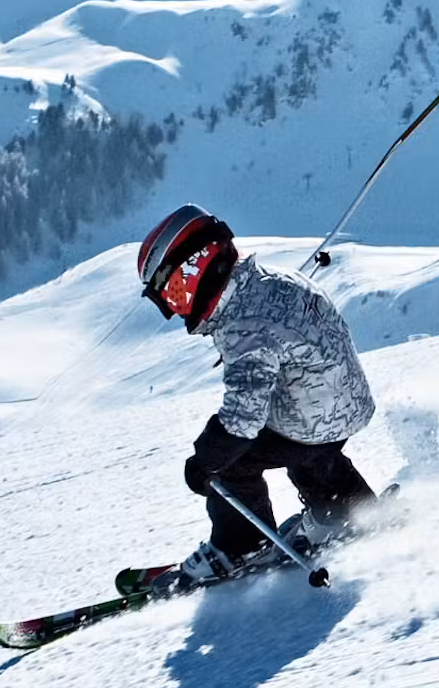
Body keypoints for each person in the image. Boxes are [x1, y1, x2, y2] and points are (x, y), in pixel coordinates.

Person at [117, 202, 379, 597]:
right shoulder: (266, 281)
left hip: (313, 418)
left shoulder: (244, 326)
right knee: (304, 447)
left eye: (170, 293)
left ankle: (239, 547)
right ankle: (344, 510)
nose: (172, 309)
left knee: (227, 457)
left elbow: (241, 422)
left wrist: (204, 463)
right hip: (348, 404)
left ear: (195, 269)